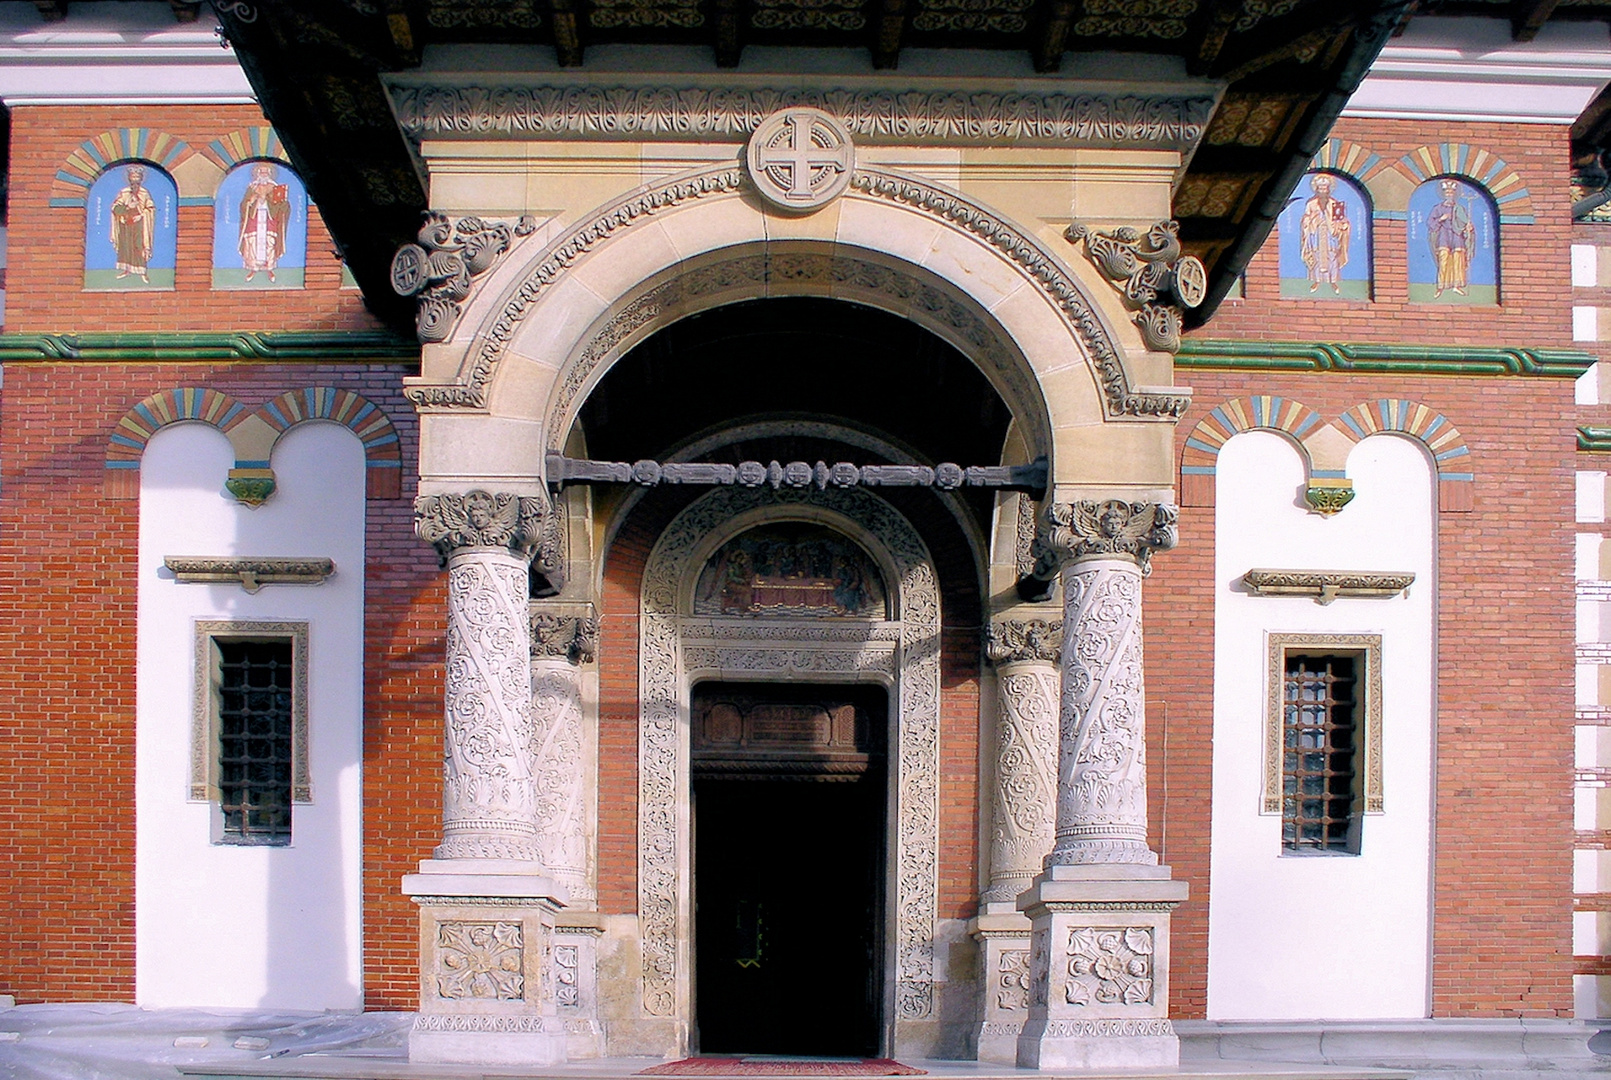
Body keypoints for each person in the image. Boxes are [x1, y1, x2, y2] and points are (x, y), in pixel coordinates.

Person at [238, 162, 291, 283]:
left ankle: (270, 269)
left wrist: (281, 203)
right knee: (252, 243)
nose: (263, 174)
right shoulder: (252, 187)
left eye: (265, 172)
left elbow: (282, 206)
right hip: (254, 219)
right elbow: (244, 205)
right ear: (257, 173)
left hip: (269, 218)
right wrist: (250, 202)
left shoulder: (274, 187)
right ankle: (252, 269)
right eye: (261, 171)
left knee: (269, 243)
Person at [1299, 173, 1351, 294]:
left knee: (1332, 258)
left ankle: (1333, 281)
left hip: (1330, 235)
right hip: (1316, 234)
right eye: (1320, 188)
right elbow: (1305, 219)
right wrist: (1312, 220)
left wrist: (1342, 226)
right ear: (1317, 189)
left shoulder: (1334, 203)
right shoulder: (1311, 203)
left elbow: (1340, 220)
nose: (1322, 191)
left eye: (1324, 188)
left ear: (1328, 189)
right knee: (1316, 257)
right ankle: (1316, 281)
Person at [1426, 178, 1475, 297]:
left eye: (1451, 193)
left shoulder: (1459, 208)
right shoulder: (1438, 208)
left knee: (1458, 260)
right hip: (1444, 236)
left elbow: (1465, 222)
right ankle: (1441, 287)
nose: (1449, 195)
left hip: (1457, 236)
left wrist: (1468, 227)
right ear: (1444, 194)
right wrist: (1441, 219)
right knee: (1444, 261)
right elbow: (1430, 222)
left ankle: (1456, 286)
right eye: (1447, 193)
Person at [108, 165, 155, 282]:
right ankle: (127, 270)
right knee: (126, 247)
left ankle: (143, 272)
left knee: (139, 246)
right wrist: (128, 207)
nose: (135, 185)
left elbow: (150, 208)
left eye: (137, 182)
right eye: (133, 182)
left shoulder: (144, 193)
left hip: (140, 225)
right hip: (126, 224)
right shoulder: (124, 193)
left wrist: (141, 215)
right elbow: (115, 207)